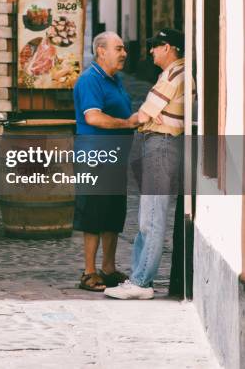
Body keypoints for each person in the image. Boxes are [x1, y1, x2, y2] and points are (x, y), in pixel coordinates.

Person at [104, 28, 185, 300]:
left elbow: (145, 113)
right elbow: (150, 113)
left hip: (161, 144)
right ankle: (139, 278)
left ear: (169, 48)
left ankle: (142, 282)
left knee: (152, 216)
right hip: (157, 143)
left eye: (156, 45)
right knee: (146, 216)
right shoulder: (171, 74)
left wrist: (144, 118)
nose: (151, 50)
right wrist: (149, 117)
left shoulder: (176, 74)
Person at [73, 31, 138, 292]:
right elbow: (93, 118)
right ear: (101, 51)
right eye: (119, 48)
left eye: (124, 48)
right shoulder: (90, 80)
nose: (124, 53)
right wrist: (127, 123)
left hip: (115, 157)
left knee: (112, 213)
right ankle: (89, 273)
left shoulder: (115, 79)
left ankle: (108, 269)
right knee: (92, 215)